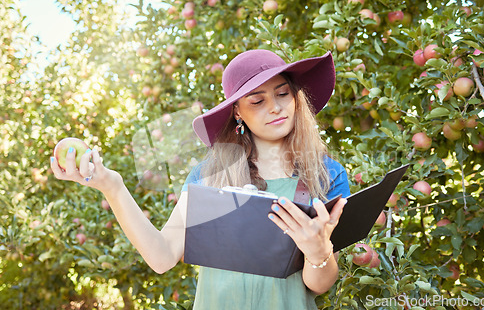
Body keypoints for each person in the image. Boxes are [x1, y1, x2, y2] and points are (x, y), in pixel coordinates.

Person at [50, 49, 351, 310]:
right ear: (238, 113)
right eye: (257, 101)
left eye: (283, 93)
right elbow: (162, 256)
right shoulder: (209, 175)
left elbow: (318, 285)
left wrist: (318, 252)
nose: (274, 107)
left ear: (296, 98)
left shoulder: (327, 175)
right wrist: (111, 185)